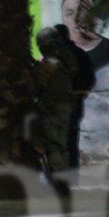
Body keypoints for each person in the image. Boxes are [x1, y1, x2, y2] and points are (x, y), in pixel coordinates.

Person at [34, 27, 78, 190]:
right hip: (65, 107)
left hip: (51, 109)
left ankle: (58, 181)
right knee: (61, 145)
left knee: (53, 146)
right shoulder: (67, 62)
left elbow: (36, 87)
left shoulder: (49, 64)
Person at [54, 24, 95, 169]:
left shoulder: (56, 56)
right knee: (71, 137)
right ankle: (71, 172)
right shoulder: (81, 54)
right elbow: (90, 78)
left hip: (58, 105)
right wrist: (81, 94)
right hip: (75, 102)